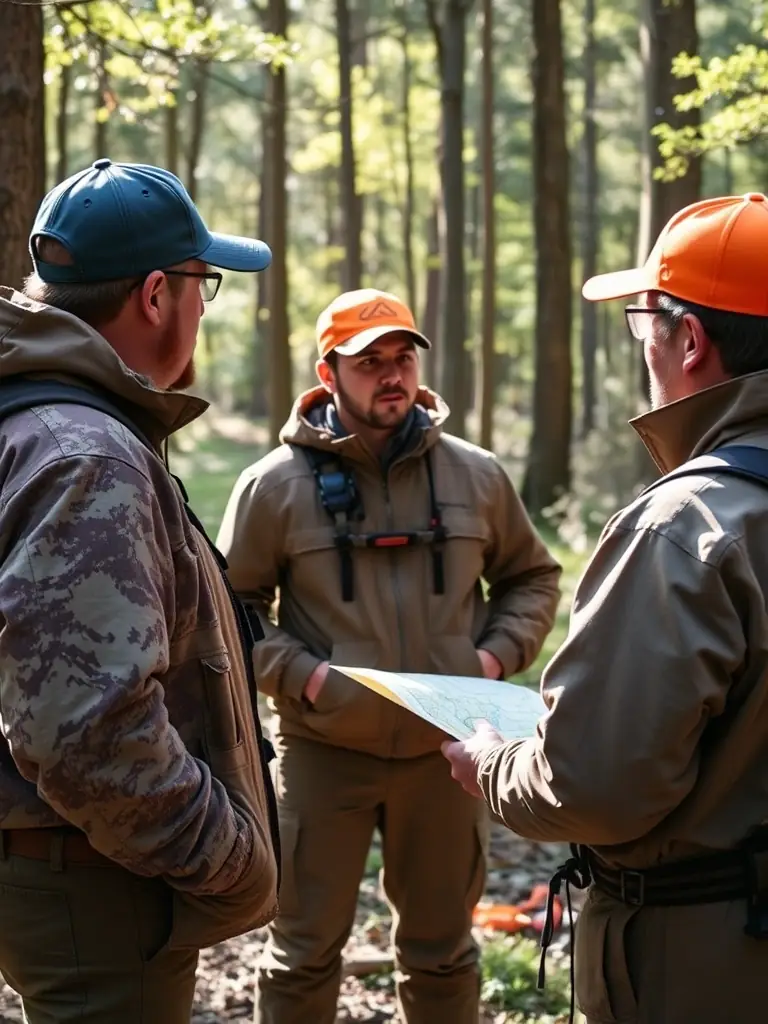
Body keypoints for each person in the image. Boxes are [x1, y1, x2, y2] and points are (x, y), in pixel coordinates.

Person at [442, 192, 768, 1024]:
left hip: (704, 961)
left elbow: (591, 787)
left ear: (689, 339)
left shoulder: (687, 527)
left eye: (643, 318)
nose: (643, 345)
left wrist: (494, 764)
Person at [215, 287, 562, 1024]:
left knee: (443, 953)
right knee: (303, 951)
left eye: (401, 357)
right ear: (328, 373)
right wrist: (302, 677)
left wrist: (492, 662)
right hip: (323, 753)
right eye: (369, 361)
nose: (391, 374)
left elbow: (531, 579)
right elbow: (231, 611)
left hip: (453, 756)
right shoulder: (271, 487)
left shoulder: (477, 475)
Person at [0, 158, 280, 1024]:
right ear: (157, 295)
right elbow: (88, 733)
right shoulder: (87, 455)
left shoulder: (30, 425)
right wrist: (229, 855)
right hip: (94, 886)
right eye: (206, 283)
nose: (204, 306)